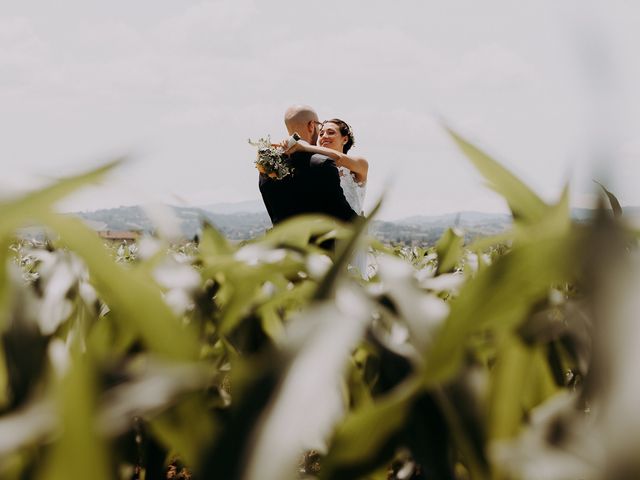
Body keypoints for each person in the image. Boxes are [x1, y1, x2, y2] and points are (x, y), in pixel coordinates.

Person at [285, 118, 371, 278]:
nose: (324, 136)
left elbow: (337, 158)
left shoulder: (359, 164)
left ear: (345, 139)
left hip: (350, 233)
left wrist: (305, 146)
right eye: (322, 133)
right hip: (324, 236)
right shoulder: (318, 167)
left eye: (331, 132)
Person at [258, 105, 357, 226]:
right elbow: (342, 214)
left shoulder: (266, 168)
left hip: (280, 244)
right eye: (319, 126)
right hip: (317, 245)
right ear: (311, 125)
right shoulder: (322, 163)